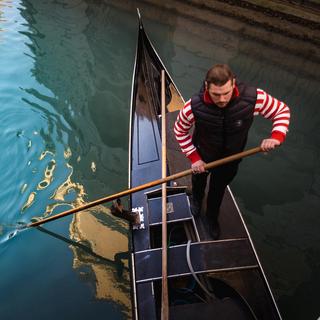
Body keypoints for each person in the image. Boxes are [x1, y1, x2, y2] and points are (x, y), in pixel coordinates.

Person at [174, 64, 290, 239]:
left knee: (218, 190)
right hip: (202, 155)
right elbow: (179, 130)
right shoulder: (193, 106)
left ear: (233, 83)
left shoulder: (253, 98)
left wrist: (276, 136)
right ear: (206, 87)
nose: (222, 99)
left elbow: (281, 111)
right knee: (198, 182)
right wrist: (195, 158)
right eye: (216, 94)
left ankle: (211, 217)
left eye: (226, 93)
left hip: (231, 159)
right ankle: (196, 200)